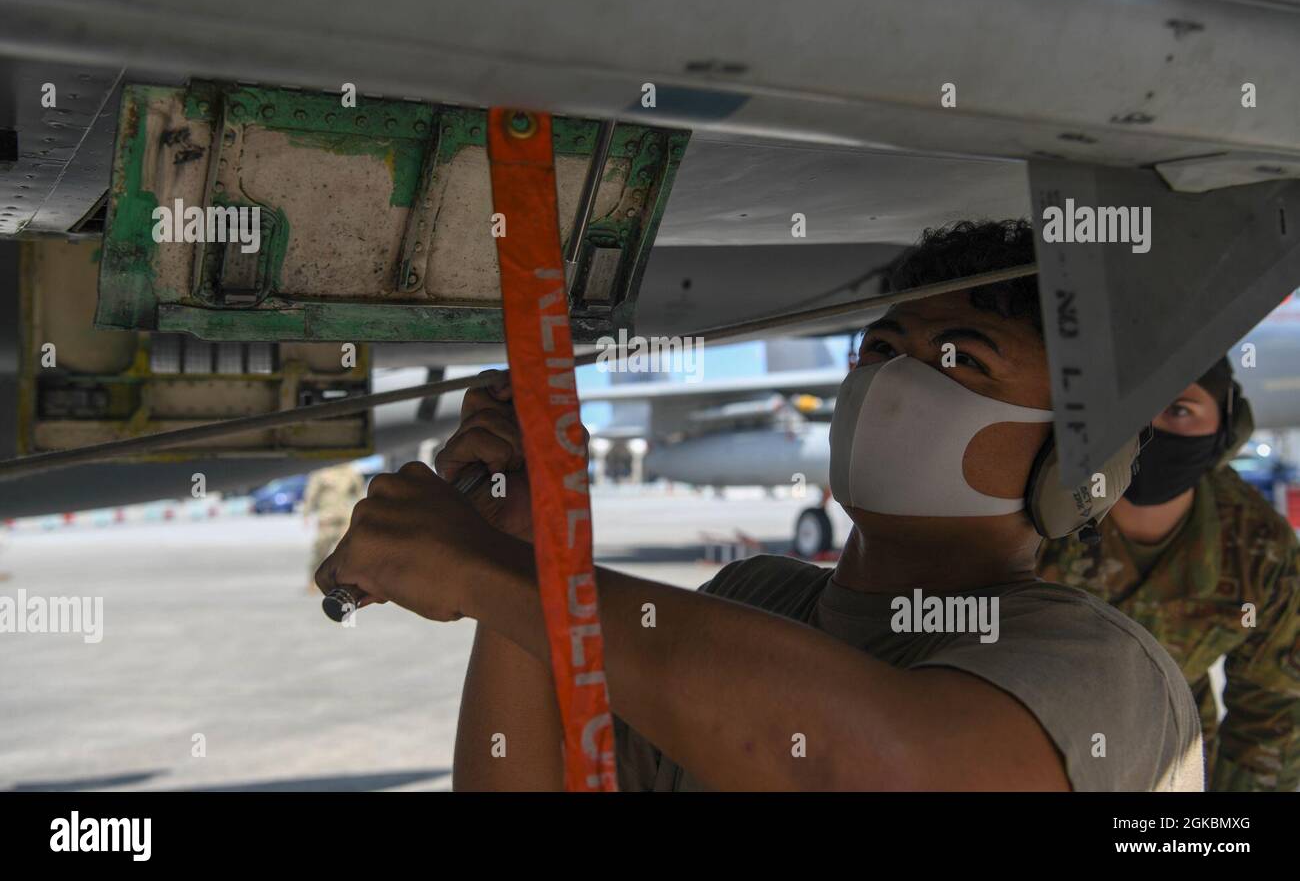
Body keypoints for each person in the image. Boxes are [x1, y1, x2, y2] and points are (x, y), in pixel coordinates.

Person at [315, 219, 1203, 791]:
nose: (891, 380)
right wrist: (525, 544)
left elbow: (880, 772)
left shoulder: (1104, 671)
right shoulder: (751, 603)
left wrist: (490, 574)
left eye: (961, 359)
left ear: (1078, 463)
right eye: (879, 347)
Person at [1039, 361, 1300, 791]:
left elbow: (1270, 717)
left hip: (1177, 757)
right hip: (1036, 747)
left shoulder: (1260, 550)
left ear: (1229, 427)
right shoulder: (1037, 516)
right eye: (1131, 410)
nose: (1148, 431)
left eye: (1178, 410)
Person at [302, 463, 365, 589]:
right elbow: (311, 495)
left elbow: (359, 493)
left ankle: (344, 581)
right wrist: (306, 513)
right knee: (320, 551)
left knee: (346, 552)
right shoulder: (321, 472)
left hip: (344, 518)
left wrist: (363, 513)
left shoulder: (350, 472)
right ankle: (313, 580)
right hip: (327, 518)